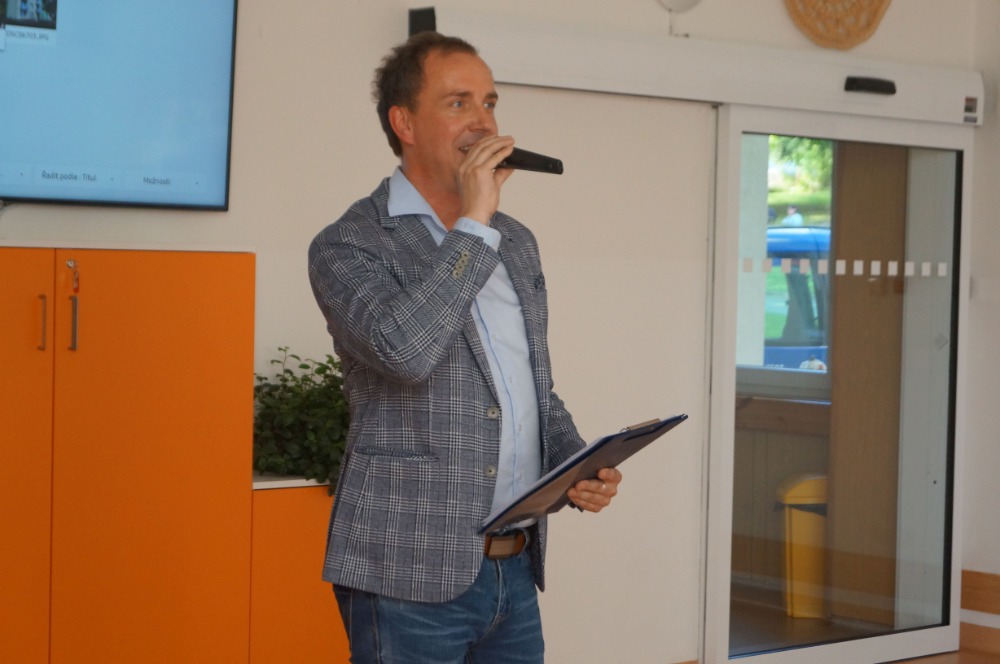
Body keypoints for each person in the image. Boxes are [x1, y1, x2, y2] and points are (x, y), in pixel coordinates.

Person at [307, 31, 623, 663]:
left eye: (490, 102)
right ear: (404, 123)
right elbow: (406, 350)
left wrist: (576, 463)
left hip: (513, 567)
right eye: (458, 103)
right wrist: (474, 223)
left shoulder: (516, 241)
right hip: (405, 575)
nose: (483, 122)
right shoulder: (349, 244)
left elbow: (529, 386)